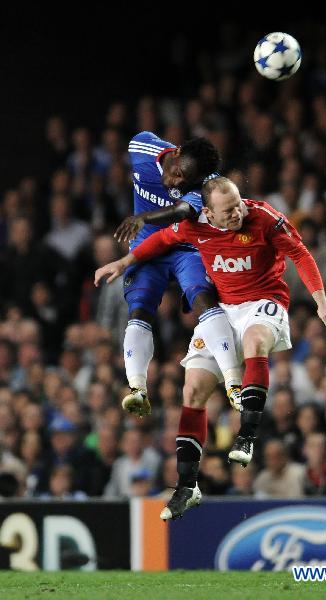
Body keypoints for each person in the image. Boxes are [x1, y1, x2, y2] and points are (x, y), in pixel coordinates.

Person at [95, 176, 326, 519]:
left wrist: (322, 303)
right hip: (222, 313)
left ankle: (247, 436)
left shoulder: (264, 217)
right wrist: (124, 263)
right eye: (228, 210)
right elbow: (163, 240)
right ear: (208, 211)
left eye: (238, 204)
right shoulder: (195, 226)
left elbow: (300, 253)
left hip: (264, 301)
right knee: (192, 389)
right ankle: (187, 487)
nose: (237, 212)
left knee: (256, 340)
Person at [107, 131, 241, 417]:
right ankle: (137, 389)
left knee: (203, 300)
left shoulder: (206, 182)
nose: (175, 182)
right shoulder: (141, 146)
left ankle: (233, 382)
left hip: (185, 247)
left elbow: (182, 211)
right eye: (177, 172)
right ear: (175, 152)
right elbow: (130, 145)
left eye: (184, 181)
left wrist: (143, 217)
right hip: (146, 249)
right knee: (139, 311)